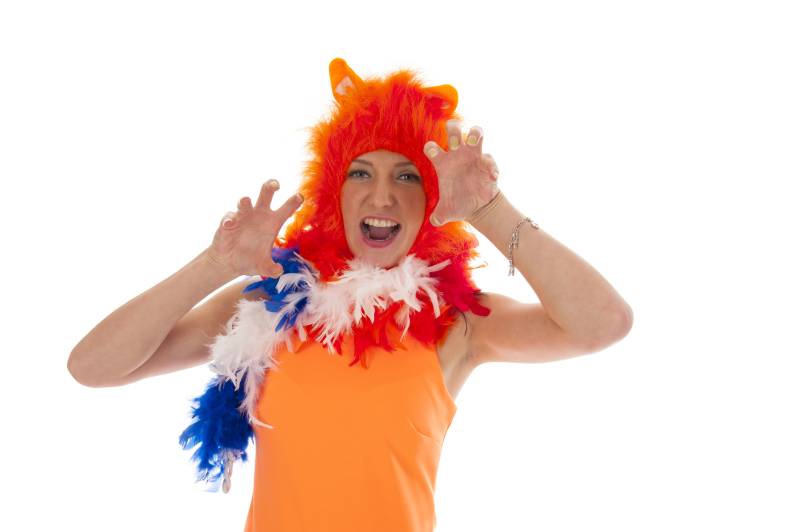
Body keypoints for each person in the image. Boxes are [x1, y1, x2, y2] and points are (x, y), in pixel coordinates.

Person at [68, 57, 633, 531]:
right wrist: (213, 264)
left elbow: (603, 323)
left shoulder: (458, 323)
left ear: (434, 198)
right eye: (360, 174)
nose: (381, 196)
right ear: (332, 191)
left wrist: (490, 208)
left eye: (407, 175)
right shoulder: (267, 305)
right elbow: (93, 366)